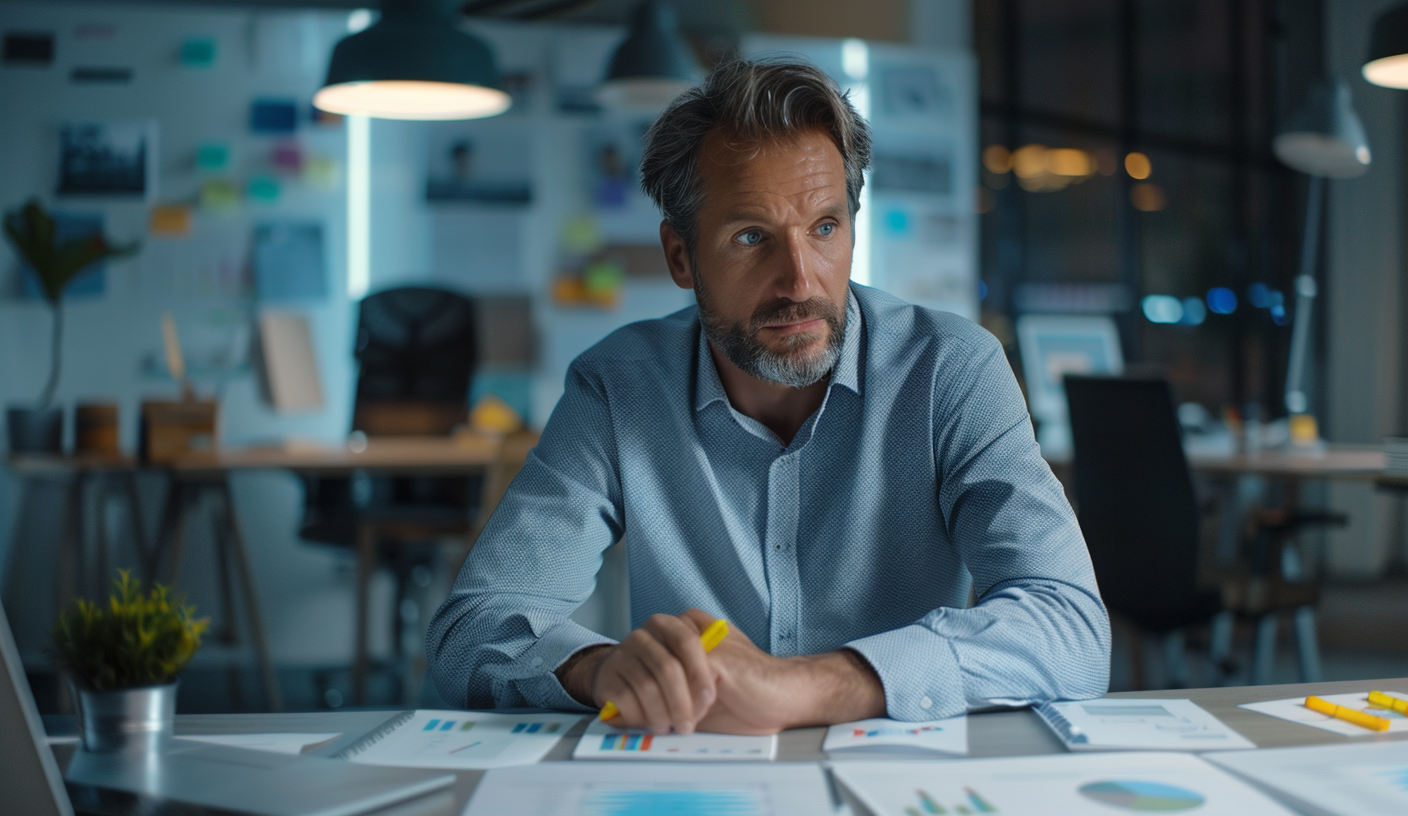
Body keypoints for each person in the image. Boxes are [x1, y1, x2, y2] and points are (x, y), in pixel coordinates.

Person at [428, 58, 1110, 735]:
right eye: (752, 237)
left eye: (824, 228)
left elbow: (1068, 630)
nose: (800, 280)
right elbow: (473, 630)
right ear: (681, 257)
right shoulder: (616, 387)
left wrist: (808, 688)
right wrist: (599, 669)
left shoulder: (951, 370)